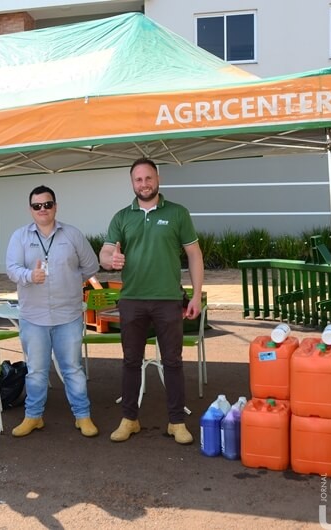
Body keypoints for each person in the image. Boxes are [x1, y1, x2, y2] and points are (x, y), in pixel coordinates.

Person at [99, 157, 204, 445]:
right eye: (138, 180)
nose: (143, 184)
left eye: (148, 178)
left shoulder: (178, 213)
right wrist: (112, 260)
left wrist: (195, 295)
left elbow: (194, 255)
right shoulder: (122, 216)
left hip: (169, 300)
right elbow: (105, 254)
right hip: (132, 299)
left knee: (173, 362)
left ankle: (177, 422)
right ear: (132, 183)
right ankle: (129, 419)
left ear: (157, 179)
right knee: (131, 361)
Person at [6, 185, 100, 438]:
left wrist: (69, 280)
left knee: (72, 368)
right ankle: (33, 417)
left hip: (67, 315)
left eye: (47, 204)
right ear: (30, 210)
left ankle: (83, 416)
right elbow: (11, 268)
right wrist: (29, 275)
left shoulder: (72, 235)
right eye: (37, 206)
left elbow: (91, 266)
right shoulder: (20, 237)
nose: (42, 210)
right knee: (36, 370)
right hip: (34, 317)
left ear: (55, 206)